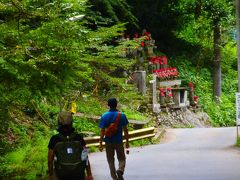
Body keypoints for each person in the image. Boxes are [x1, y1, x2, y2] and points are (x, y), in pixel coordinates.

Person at [48, 111, 93, 180]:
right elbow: (85, 156)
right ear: (71, 122)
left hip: (61, 174)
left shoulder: (54, 139)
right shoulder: (79, 137)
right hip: (79, 173)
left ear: (59, 122)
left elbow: (50, 159)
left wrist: (51, 174)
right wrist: (89, 174)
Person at [99, 98, 129, 180]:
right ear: (116, 104)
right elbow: (125, 130)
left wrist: (100, 142)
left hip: (108, 141)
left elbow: (102, 131)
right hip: (119, 141)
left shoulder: (104, 116)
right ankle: (120, 169)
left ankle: (114, 178)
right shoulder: (122, 115)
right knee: (122, 158)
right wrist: (127, 141)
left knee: (110, 160)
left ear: (108, 105)